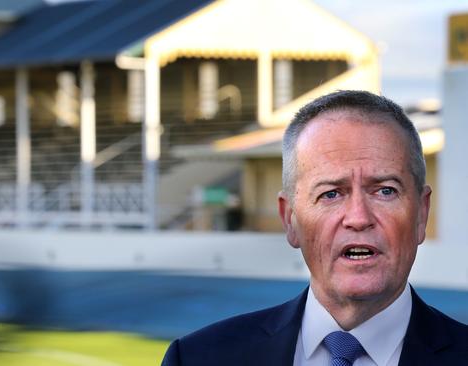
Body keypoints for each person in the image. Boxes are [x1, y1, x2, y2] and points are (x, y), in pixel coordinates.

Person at [161, 90, 468, 366]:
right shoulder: (197, 359)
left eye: (385, 190)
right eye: (331, 194)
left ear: (421, 214)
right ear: (290, 219)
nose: (358, 218)